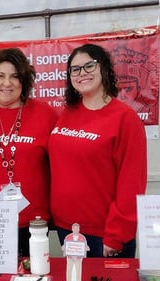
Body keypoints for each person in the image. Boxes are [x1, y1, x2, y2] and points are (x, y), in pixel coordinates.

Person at [48, 43, 147, 258]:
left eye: (89, 66)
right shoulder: (66, 114)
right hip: (67, 229)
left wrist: (116, 235)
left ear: (104, 68)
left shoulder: (125, 119)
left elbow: (132, 182)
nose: (82, 73)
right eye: (75, 69)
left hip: (104, 235)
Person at [0, 47, 58, 257]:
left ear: (24, 81)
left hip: (33, 221)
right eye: (0, 76)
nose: (7, 83)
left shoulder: (46, 114)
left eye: (15, 76)